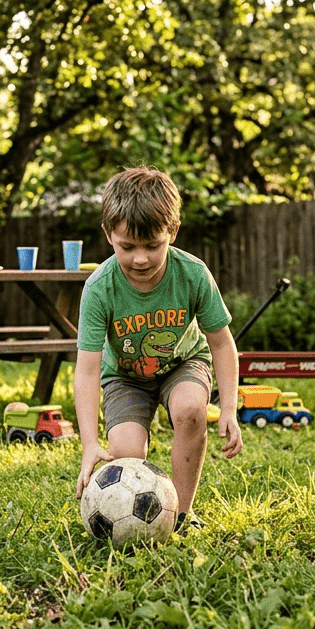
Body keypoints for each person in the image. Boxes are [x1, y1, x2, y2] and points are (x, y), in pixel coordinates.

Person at [73, 167, 244, 532]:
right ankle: (136, 522)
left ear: (173, 232)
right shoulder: (100, 288)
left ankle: (180, 516)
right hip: (125, 377)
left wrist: (228, 407)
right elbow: (87, 370)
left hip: (183, 363)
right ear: (108, 235)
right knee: (127, 452)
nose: (140, 259)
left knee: (189, 411)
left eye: (153, 246)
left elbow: (221, 343)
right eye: (127, 247)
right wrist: (90, 443)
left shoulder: (193, 274)